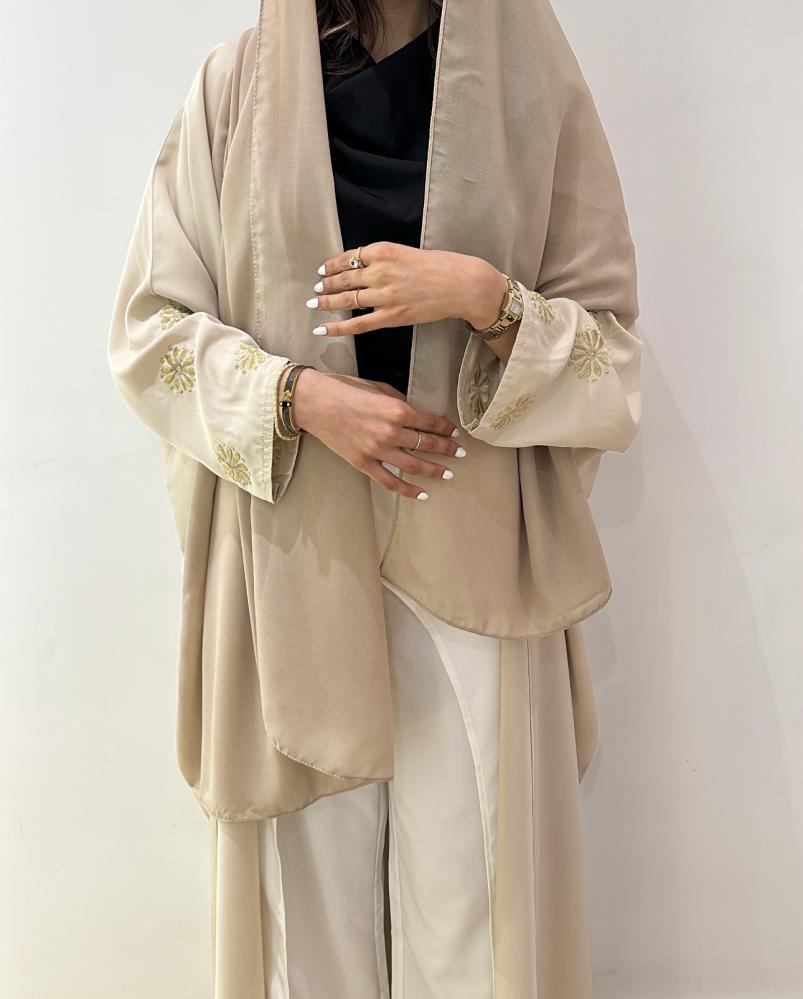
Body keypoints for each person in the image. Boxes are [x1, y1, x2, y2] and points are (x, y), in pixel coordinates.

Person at [107, 0, 642, 995]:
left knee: (473, 911)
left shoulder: (528, 80)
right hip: (299, 552)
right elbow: (150, 333)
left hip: (473, 554)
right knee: (307, 915)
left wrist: (482, 297)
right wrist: (296, 398)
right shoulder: (237, 87)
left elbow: (610, 356)